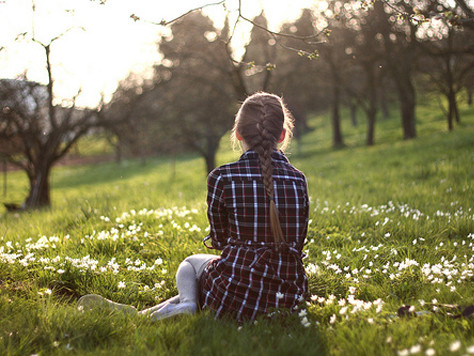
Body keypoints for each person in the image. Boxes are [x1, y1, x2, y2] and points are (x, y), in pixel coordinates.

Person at [77, 92, 309, 322]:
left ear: (238, 134)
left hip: (233, 299)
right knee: (213, 277)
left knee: (191, 264)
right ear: (282, 135)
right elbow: (297, 244)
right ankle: (140, 316)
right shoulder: (298, 181)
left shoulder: (222, 177)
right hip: (289, 299)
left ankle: (183, 304)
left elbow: (219, 240)